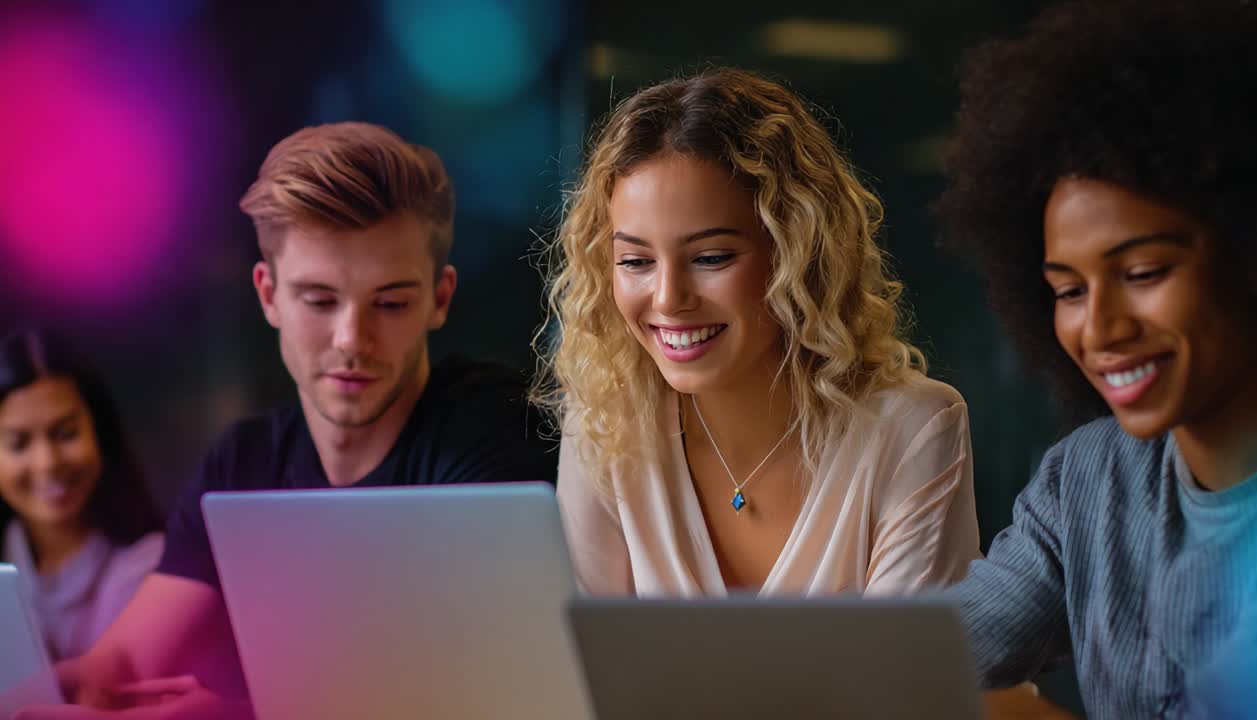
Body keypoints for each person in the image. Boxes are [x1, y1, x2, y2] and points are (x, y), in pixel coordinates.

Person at [18, 122, 558, 719]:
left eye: (391, 302)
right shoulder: (242, 463)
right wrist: (45, 691)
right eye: (320, 301)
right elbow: (122, 665)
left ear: (440, 298)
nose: (351, 340)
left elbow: (471, 696)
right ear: (268, 295)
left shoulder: (496, 435)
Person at [934, 0, 1257, 716]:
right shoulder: (1087, 480)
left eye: (1144, 273)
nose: (1100, 327)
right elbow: (938, 649)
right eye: (1066, 290)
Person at [538, 68, 979, 597]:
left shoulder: (912, 429)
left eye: (711, 257)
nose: (667, 298)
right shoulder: (604, 425)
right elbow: (580, 663)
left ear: (797, 253)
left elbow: (900, 675)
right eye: (635, 261)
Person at [0, 330, 163, 661]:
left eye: (66, 434)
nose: (47, 463)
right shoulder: (10, 553)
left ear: (100, 433)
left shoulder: (155, 569)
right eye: (19, 444)